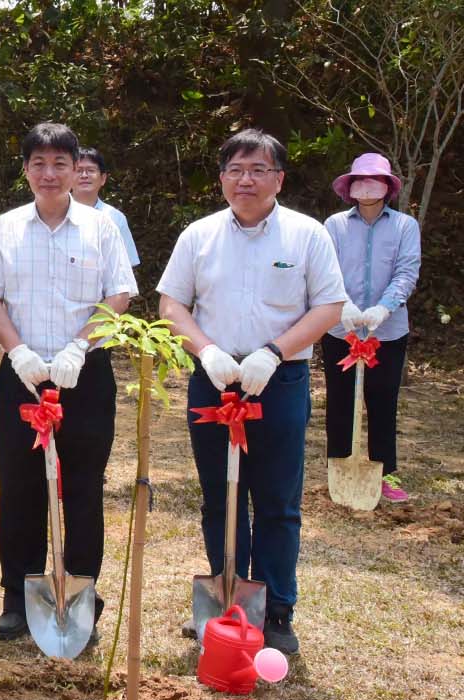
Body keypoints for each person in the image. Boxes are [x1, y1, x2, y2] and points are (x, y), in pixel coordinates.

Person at [157, 128, 346, 655]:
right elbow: (171, 305)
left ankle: (277, 607)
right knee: (220, 495)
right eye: (235, 170)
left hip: (277, 379)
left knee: (277, 500)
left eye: (258, 170)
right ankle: (226, 596)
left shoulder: (307, 236)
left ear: (278, 178)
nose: (246, 180)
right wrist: (207, 350)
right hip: (213, 378)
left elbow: (329, 308)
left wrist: (274, 351)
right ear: (221, 179)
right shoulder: (199, 235)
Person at [0, 122, 135, 643]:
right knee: (20, 488)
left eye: (60, 164)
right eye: (38, 164)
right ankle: (17, 600)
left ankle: (80, 594)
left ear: (76, 171)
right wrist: (17, 350)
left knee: (84, 491)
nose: (49, 174)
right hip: (21, 375)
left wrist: (78, 347)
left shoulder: (101, 228)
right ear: (25, 170)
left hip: (84, 376)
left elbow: (119, 295)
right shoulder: (6, 227)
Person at [322, 153, 420, 503]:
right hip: (340, 329)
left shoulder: (405, 226)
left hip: (387, 332)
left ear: (387, 186)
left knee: (382, 400)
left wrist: (384, 307)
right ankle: (337, 469)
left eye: (374, 180)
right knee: (340, 400)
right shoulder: (334, 225)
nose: (366, 187)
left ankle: (384, 474)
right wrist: (341, 304)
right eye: (359, 180)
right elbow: (325, 270)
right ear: (350, 187)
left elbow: (407, 271)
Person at [71, 146, 139, 267]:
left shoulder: (115, 219)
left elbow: (126, 267)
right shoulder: (55, 214)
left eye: (91, 170)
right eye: (79, 170)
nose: (84, 175)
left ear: (103, 179)